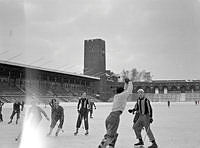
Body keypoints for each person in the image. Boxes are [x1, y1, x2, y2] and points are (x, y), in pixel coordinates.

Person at [98, 78, 133, 148]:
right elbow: (129, 90)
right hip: (115, 117)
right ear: (122, 92)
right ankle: (103, 145)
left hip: (109, 117)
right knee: (110, 136)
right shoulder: (123, 95)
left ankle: (111, 145)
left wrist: (125, 83)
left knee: (113, 133)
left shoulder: (116, 96)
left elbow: (125, 90)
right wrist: (129, 82)